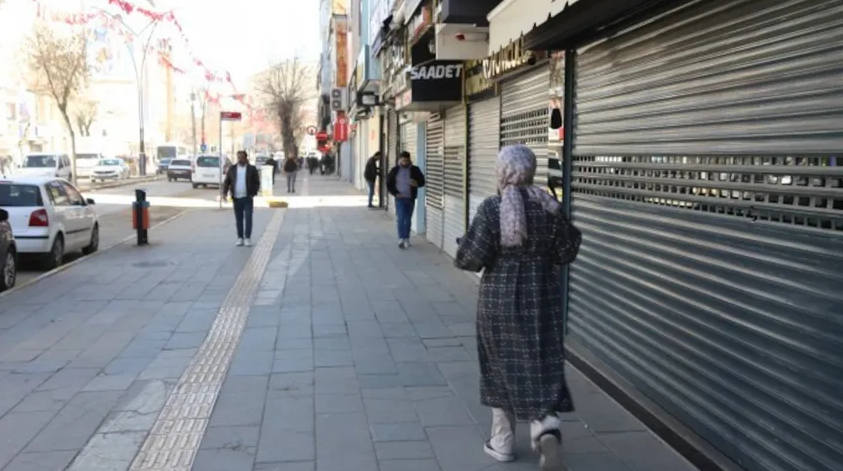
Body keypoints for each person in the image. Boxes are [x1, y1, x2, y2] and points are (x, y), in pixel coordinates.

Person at [453, 145, 581, 471]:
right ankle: (545, 427)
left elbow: (471, 258)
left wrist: (464, 246)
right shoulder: (549, 207)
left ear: (501, 172)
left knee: (499, 366)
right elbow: (567, 251)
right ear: (531, 170)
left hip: (498, 302)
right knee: (540, 362)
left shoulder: (492, 208)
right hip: (543, 299)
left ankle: (503, 442)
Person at [386, 151, 425, 249]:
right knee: (400, 218)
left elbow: (422, 181)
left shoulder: (415, 170)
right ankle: (401, 239)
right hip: (399, 199)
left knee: (408, 219)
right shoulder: (395, 170)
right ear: (400, 160)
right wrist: (395, 193)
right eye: (403, 160)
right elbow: (388, 183)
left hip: (410, 198)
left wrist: (416, 183)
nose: (405, 162)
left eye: (406, 160)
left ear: (409, 160)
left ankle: (406, 238)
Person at [222, 150, 261, 247]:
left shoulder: (252, 169)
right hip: (236, 198)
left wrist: (253, 193)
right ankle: (240, 238)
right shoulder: (232, 169)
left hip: (247, 198)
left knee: (248, 218)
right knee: (239, 219)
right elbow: (227, 182)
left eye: (242, 157)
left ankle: (247, 237)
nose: (240, 159)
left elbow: (257, 182)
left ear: (246, 158)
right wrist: (224, 193)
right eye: (238, 157)